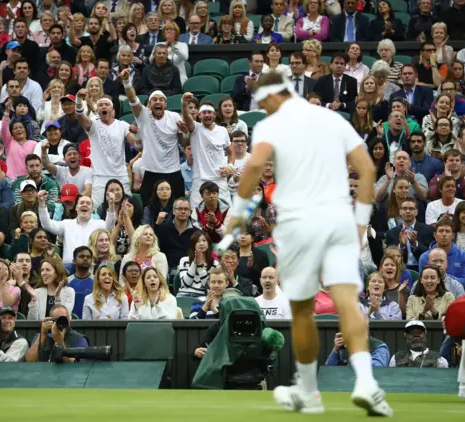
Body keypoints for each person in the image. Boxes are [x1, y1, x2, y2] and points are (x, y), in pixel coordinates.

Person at [227, 71, 392, 415]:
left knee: (302, 309)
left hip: (300, 224)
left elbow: (255, 165)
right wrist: (360, 224)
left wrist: (237, 212)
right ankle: (366, 382)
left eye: (262, 101)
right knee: (347, 300)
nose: (262, 108)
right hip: (339, 221)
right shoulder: (332, 120)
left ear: (273, 96)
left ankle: (310, 392)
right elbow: (366, 168)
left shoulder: (271, 125)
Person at [121, 69, 186, 203]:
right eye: (154, 100)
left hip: (173, 170)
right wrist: (127, 81)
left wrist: (185, 132)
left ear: (165, 104)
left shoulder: (174, 117)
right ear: (149, 105)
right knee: (148, 208)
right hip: (151, 170)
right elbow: (133, 99)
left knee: (178, 206)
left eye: (161, 100)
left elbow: (185, 143)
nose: (158, 102)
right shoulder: (144, 115)